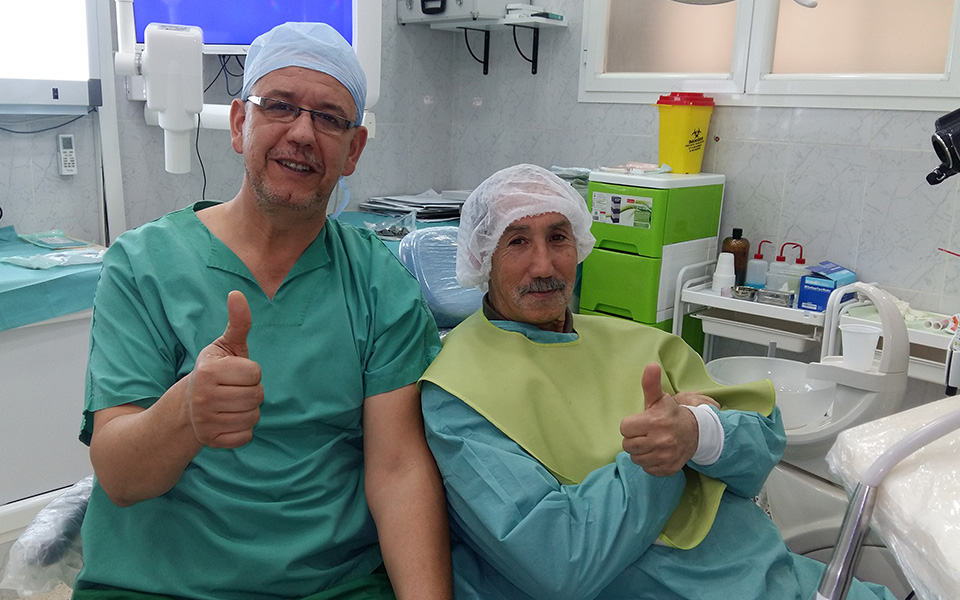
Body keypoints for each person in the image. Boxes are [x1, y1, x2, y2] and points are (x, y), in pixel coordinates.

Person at [74, 22, 452, 600]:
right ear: (239, 124)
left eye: (329, 118)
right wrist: (186, 411)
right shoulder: (144, 266)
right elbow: (121, 478)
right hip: (159, 585)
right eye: (279, 106)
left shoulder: (380, 285)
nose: (302, 133)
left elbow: (399, 471)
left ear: (353, 150)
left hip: (332, 587)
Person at [419, 163, 896, 599]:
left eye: (558, 237)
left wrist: (701, 433)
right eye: (518, 241)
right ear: (481, 257)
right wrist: (656, 462)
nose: (544, 266)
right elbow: (561, 561)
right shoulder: (459, 392)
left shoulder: (641, 343)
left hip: (784, 579)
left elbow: (759, 454)